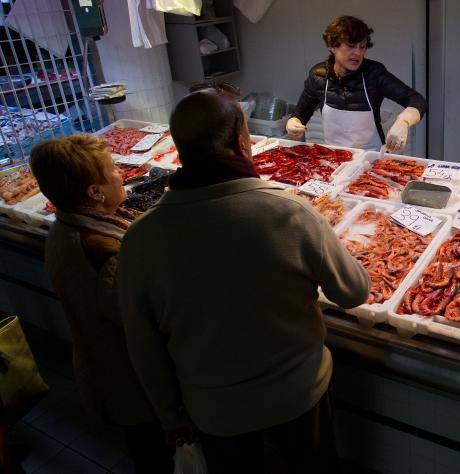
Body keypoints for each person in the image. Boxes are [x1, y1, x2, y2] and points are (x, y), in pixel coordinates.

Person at [117, 87, 371, 473]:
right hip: (298, 394)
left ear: (178, 147)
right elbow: (353, 292)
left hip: (214, 411)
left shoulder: (139, 240)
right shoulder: (291, 213)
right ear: (243, 142)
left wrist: (170, 417)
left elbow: (142, 344)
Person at [29, 135, 173, 473]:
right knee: (155, 455)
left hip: (105, 371)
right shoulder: (102, 251)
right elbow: (146, 325)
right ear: (95, 192)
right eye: (112, 171)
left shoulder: (66, 226)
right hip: (132, 384)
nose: (121, 175)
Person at [286, 15, 427, 152]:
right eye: (351, 46)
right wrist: (293, 123)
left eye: (362, 47)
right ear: (332, 46)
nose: (357, 53)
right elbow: (300, 115)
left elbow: (417, 100)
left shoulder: (374, 73)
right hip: (334, 159)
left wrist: (404, 121)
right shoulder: (318, 75)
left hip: (371, 158)